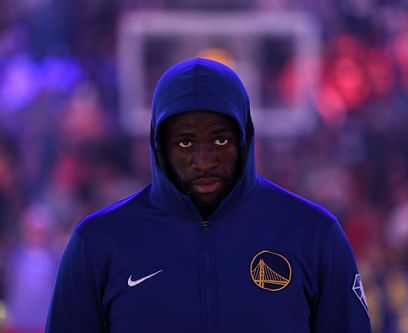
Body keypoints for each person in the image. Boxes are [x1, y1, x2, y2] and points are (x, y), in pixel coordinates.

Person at [46, 58, 372, 332]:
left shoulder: (313, 235)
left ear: (244, 137)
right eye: (185, 142)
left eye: (220, 140)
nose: (204, 161)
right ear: (159, 144)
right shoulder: (98, 243)